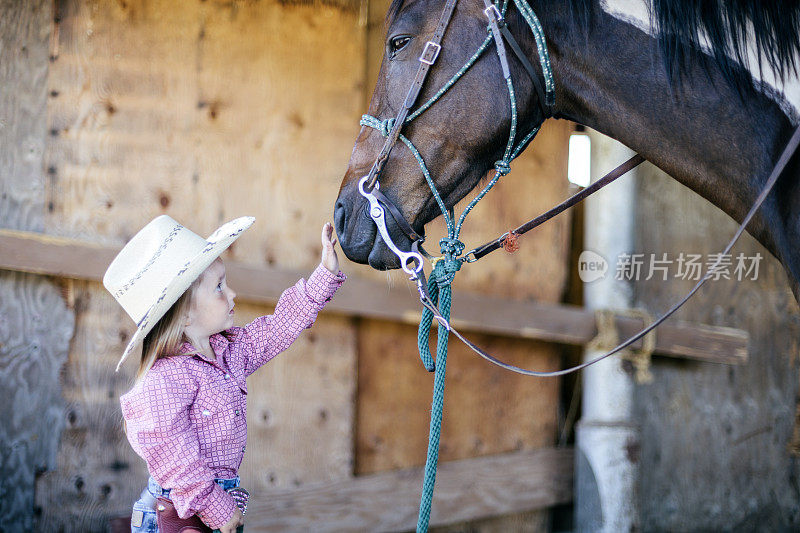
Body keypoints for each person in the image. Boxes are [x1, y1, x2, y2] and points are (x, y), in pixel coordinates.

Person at [103, 215, 345, 533]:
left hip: (214, 505)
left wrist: (323, 274)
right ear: (185, 313)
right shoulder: (166, 379)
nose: (232, 294)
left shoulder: (230, 350)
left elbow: (279, 328)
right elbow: (171, 452)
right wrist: (215, 504)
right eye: (219, 287)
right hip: (184, 512)